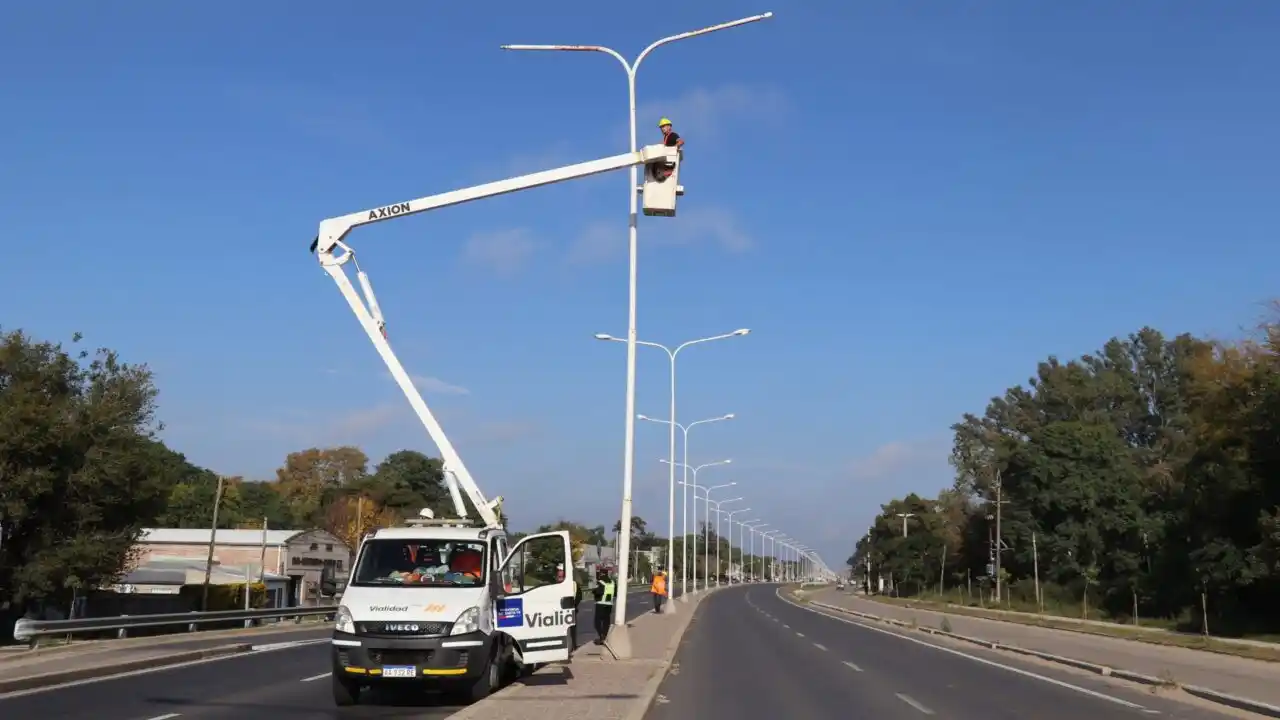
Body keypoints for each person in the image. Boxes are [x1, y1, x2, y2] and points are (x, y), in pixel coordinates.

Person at [591, 569, 615, 643]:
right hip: (609, 604)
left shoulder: (601, 582)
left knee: (597, 622)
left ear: (601, 574)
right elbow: (615, 593)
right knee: (606, 621)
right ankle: (604, 636)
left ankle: (601, 637)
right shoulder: (612, 582)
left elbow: (598, 592)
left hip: (601, 604)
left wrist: (594, 591)